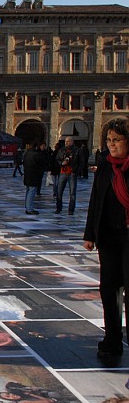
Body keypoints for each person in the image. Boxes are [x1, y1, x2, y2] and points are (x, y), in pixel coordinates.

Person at [83, 117, 129, 358]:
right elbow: (95, 201)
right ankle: (112, 339)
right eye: (109, 140)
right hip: (109, 237)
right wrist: (89, 234)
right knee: (108, 289)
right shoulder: (105, 166)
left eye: (117, 140)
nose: (112, 145)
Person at [56, 136, 82, 215]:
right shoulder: (62, 150)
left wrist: (76, 172)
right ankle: (58, 208)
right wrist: (61, 163)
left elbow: (81, 163)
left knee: (72, 193)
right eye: (65, 141)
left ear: (72, 142)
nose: (66, 143)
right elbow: (57, 159)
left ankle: (71, 210)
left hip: (72, 173)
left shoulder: (77, 151)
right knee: (59, 192)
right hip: (63, 172)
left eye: (68, 141)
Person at [23, 141, 43, 215]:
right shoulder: (36, 154)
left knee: (28, 191)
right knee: (32, 191)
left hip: (27, 174)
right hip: (34, 175)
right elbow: (39, 165)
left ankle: (27, 206)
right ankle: (29, 208)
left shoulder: (26, 154)